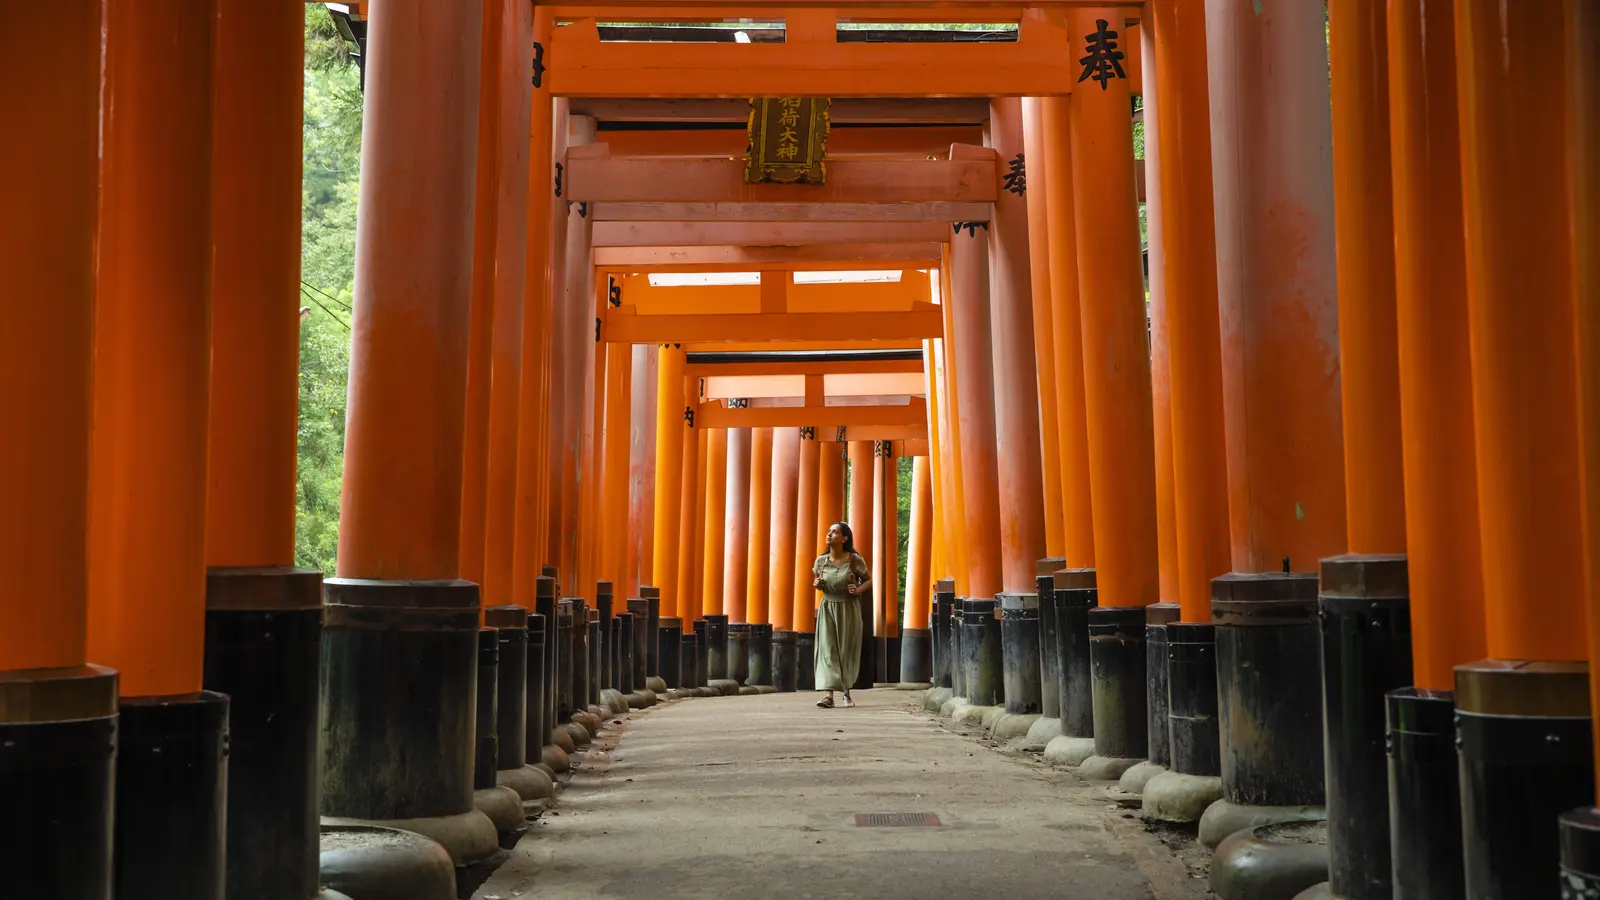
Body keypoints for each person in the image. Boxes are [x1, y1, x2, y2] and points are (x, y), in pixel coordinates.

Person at [811, 521, 870, 708]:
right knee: (828, 649)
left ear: (844, 538)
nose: (829, 535)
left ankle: (846, 692)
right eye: (828, 531)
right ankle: (828, 695)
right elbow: (818, 581)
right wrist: (817, 585)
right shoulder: (821, 561)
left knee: (845, 650)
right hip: (828, 606)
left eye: (834, 532)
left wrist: (858, 589)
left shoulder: (854, 560)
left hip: (848, 608)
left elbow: (869, 581)